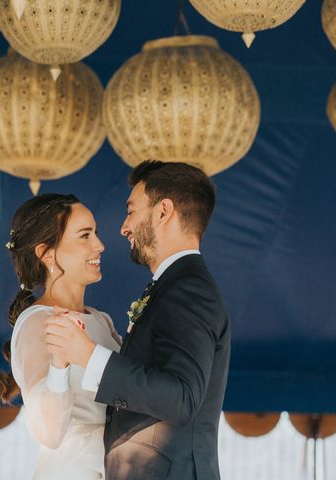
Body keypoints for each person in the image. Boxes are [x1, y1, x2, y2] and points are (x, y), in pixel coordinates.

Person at [45, 161, 231, 480]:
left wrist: (89, 357)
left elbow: (182, 397)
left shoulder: (188, 288)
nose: (123, 226)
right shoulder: (173, 285)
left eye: (131, 210)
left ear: (163, 211)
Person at [0, 193, 121, 480]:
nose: (99, 246)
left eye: (96, 234)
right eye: (85, 236)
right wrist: (60, 364)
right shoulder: (36, 323)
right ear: (46, 253)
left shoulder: (102, 320)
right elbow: (49, 433)